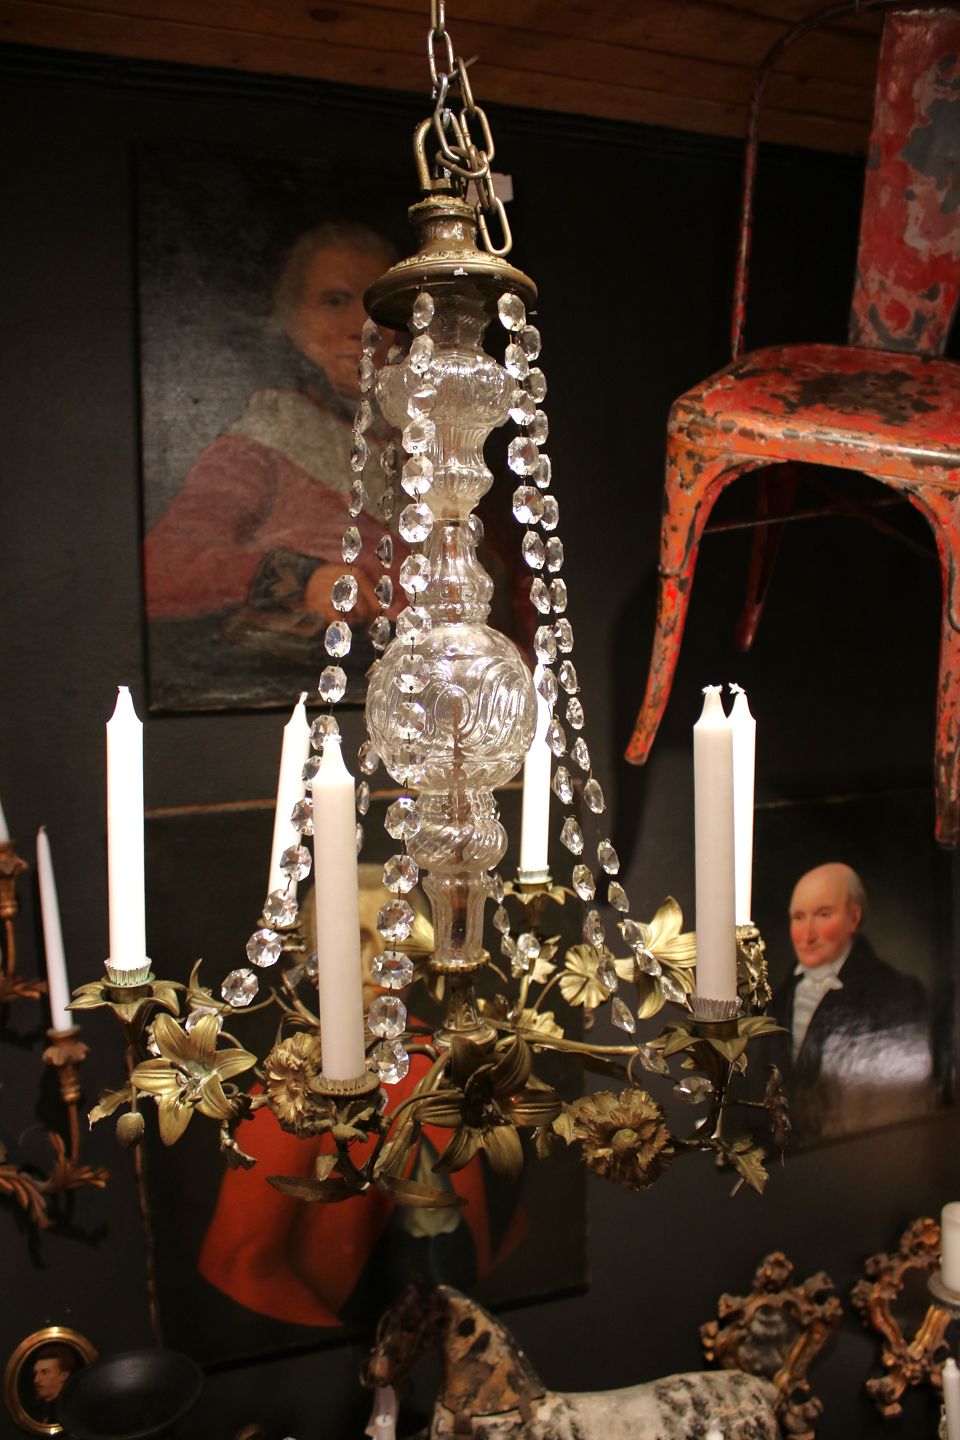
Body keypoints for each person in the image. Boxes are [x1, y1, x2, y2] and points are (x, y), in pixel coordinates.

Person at [143, 222, 399, 702]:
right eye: (334, 301)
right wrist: (303, 577)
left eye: (378, 307)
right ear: (293, 321)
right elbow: (162, 568)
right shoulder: (263, 439)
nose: (361, 326)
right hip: (304, 699)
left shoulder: (436, 444)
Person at [771, 862, 934, 1144]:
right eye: (798, 917)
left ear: (854, 918)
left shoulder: (897, 993)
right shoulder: (775, 1000)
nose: (808, 935)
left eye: (823, 914)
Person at [30, 1343, 79, 1423]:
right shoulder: (34, 1413)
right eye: (35, 1373)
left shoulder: (71, 1412)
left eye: (44, 1372)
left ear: (63, 1375)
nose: (36, 1380)